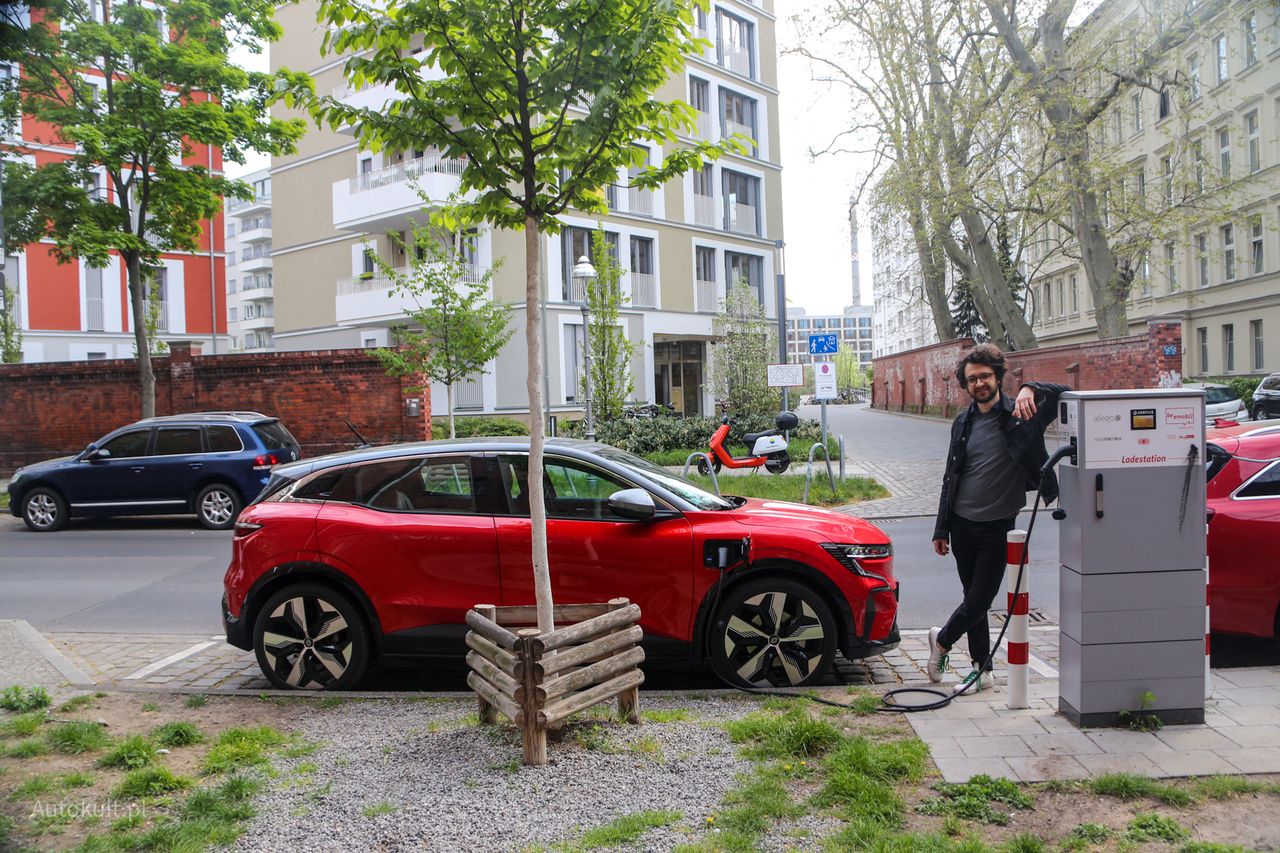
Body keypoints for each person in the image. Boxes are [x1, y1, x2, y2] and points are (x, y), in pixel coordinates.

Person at [928, 344, 1070, 692]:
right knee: (970, 595)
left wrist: (1030, 387)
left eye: (985, 376)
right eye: (972, 379)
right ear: (965, 384)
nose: (979, 383)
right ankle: (983, 669)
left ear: (998, 377)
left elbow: (1066, 392)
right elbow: (951, 475)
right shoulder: (962, 422)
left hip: (998, 525)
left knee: (980, 600)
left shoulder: (1024, 412)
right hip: (962, 524)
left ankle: (942, 641)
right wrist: (941, 527)